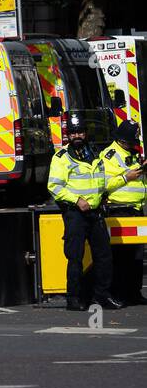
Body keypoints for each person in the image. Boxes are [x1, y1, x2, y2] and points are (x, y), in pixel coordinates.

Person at [48, 113, 124, 310]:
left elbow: (101, 179)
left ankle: (102, 296)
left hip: (95, 212)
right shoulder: (61, 158)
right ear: (68, 135)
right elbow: (54, 187)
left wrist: (104, 194)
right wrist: (77, 200)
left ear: (86, 133)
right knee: (75, 257)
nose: (77, 136)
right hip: (75, 213)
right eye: (73, 133)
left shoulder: (95, 153)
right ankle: (73, 298)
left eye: (80, 132)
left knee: (104, 255)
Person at [101, 119, 147, 304]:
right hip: (119, 211)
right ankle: (118, 293)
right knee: (120, 256)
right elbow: (103, 184)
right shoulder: (109, 156)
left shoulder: (134, 152)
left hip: (136, 210)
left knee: (137, 256)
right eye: (130, 142)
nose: (132, 145)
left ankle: (134, 293)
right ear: (121, 140)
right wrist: (125, 177)